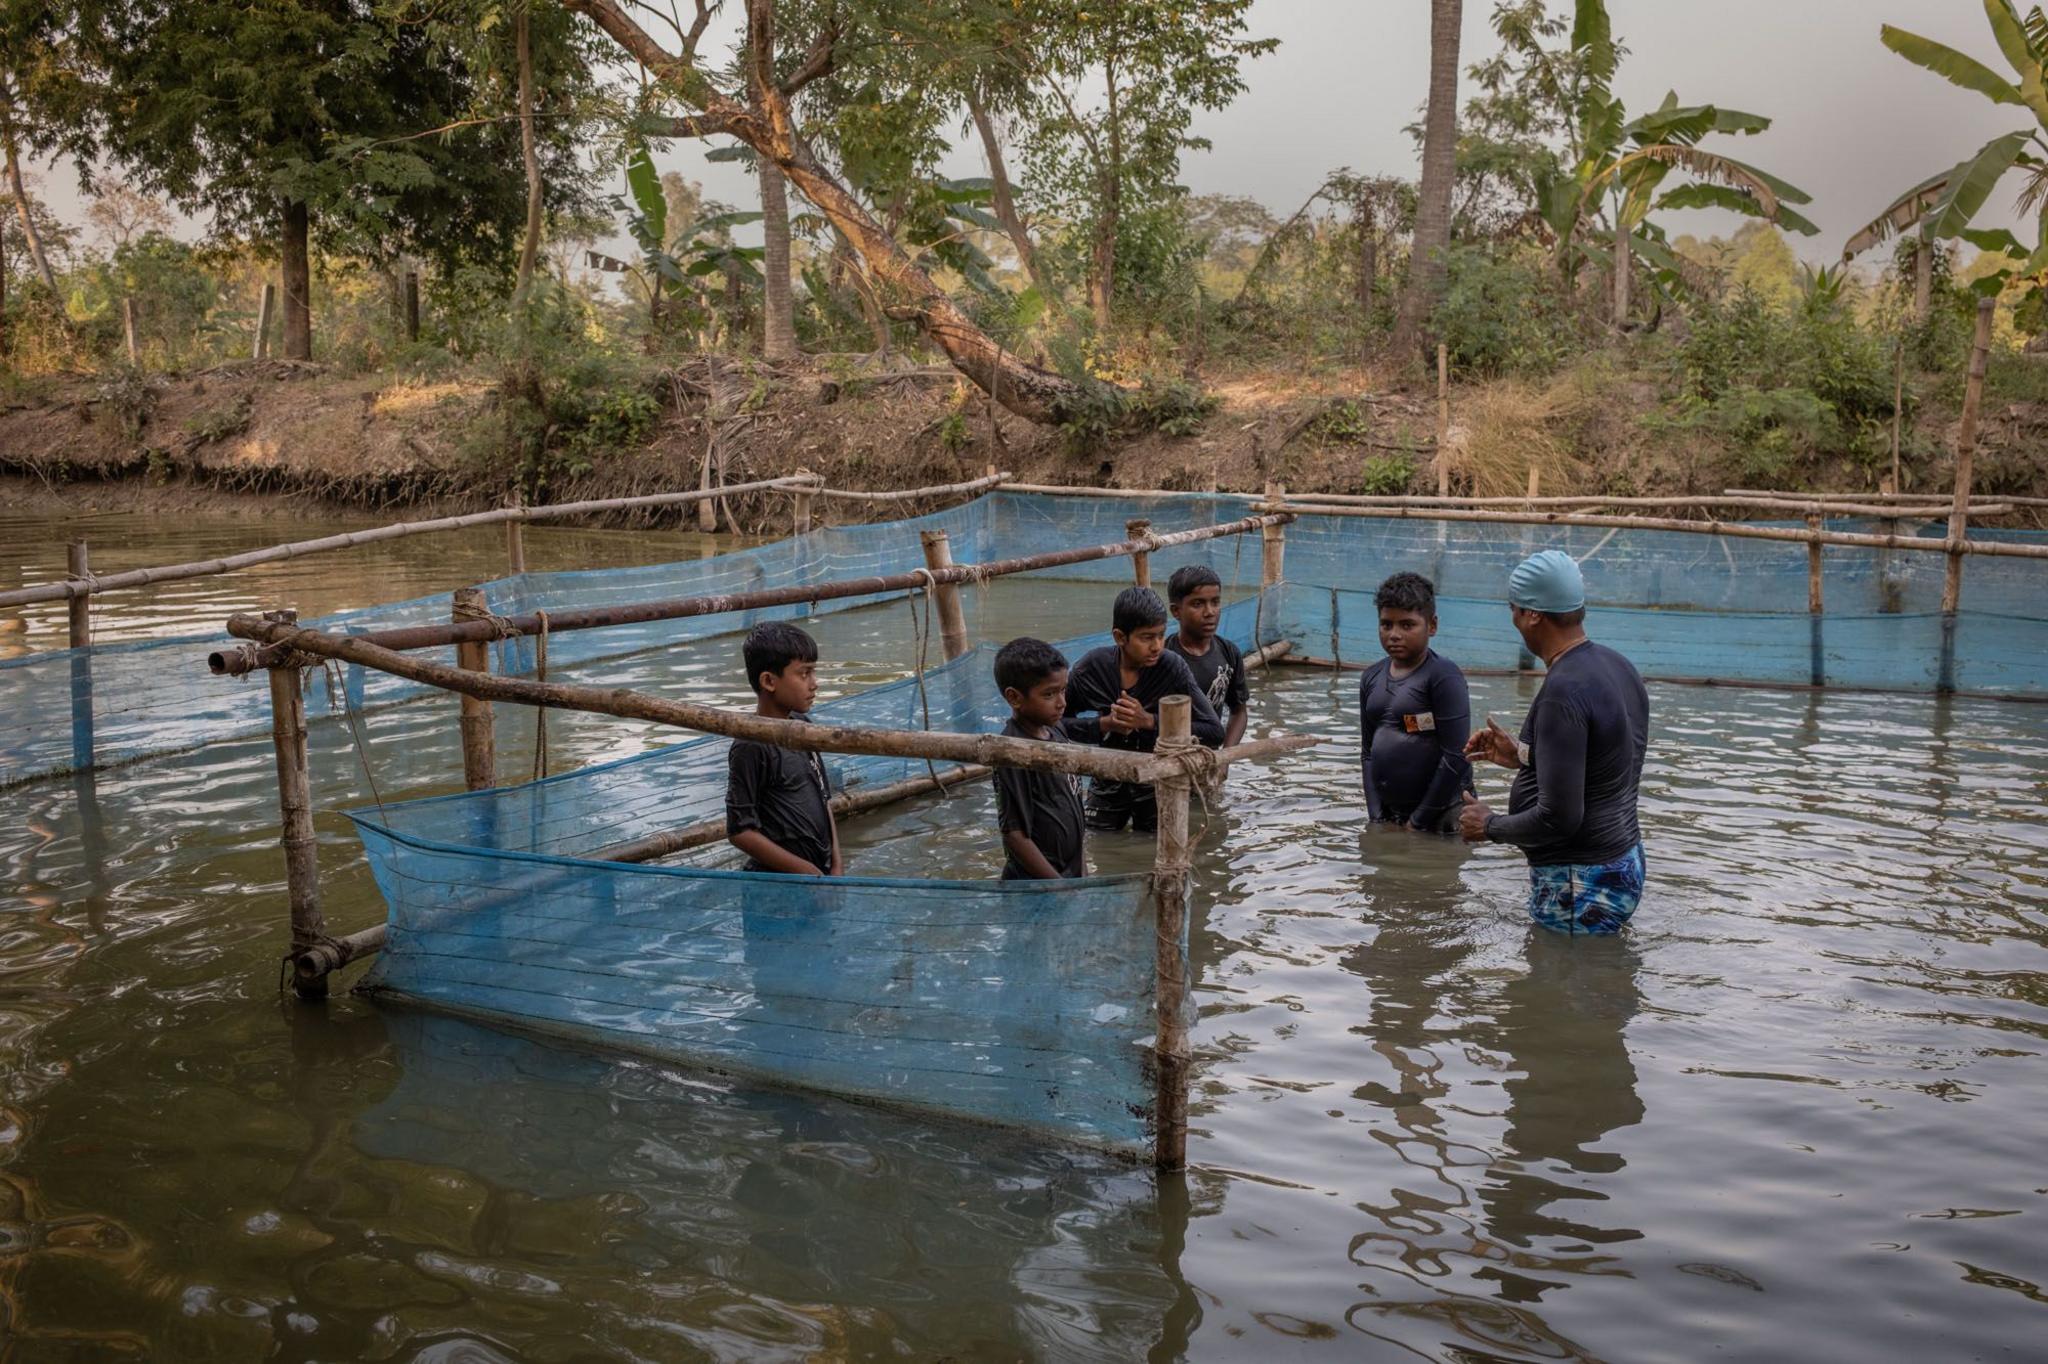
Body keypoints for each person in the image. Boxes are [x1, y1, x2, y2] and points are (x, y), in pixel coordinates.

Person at [1460, 550, 1649, 935]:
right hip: (1621, 861)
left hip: (1579, 882)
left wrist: (1490, 825)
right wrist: (1524, 756)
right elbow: (1607, 763)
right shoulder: (1617, 666)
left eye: (1514, 610)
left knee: (1565, 986)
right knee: (1597, 985)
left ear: (1533, 615)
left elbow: (1559, 818)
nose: (1513, 620)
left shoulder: (1563, 690)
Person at [1064, 586, 1224, 833]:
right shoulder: (1092, 668)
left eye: (1161, 635)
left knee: (1153, 848)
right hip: (1108, 778)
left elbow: (1214, 732)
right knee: (1101, 844)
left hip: (1157, 781)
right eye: (1146, 637)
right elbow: (1056, 725)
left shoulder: (1171, 667)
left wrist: (1149, 721)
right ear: (1120, 637)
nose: (1157, 646)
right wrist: (1104, 725)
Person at [1358, 571, 1473, 832]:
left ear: (1432, 626)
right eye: (1386, 624)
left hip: (1445, 813)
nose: (1394, 634)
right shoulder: (1371, 677)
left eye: (1407, 625)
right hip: (1393, 816)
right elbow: (1367, 753)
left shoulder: (1443, 676)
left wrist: (1418, 822)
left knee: (1435, 872)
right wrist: (1376, 816)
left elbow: (1456, 756)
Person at [726, 621, 842, 876]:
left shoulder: (804, 728)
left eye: (813, 672)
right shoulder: (750, 745)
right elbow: (740, 831)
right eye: (804, 674)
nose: (814, 683)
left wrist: (836, 867)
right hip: (777, 886)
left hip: (820, 876)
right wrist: (806, 871)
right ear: (769, 681)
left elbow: (824, 799)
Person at [990, 637, 1088, 879]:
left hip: (1069, 873)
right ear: (1014, 698)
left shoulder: (1057, 731)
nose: (1062, 703)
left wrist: (1081, 876)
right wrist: (1059, 887)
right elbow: (1014, 834)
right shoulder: (1012, 752)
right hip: (1036, 885)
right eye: (1049, 694)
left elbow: (1073, 804)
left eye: (1063, 690)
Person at [1165, 565, 1250, 749]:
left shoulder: (1229, 652)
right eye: (1198, 604)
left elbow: (1239, 711)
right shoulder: (1164, 657)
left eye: (1215, 602)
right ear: (1176, 611)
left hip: (1209, 758)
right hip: (1169, 757)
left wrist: (1225, 757)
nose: (1210, 612)